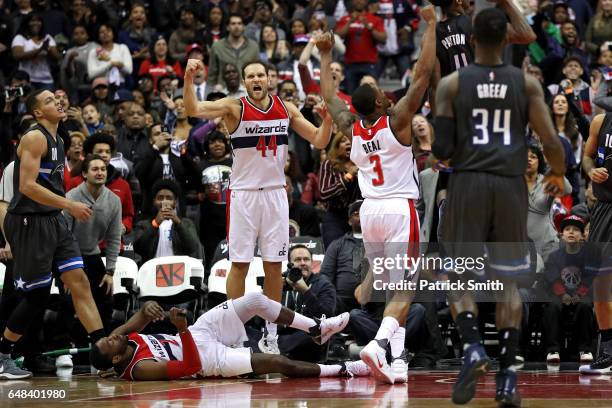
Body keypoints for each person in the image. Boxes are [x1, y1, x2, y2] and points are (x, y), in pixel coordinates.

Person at [432, 8, 566, 406]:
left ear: (471, 39)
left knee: (457, 278)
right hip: (510, 189)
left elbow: (439, 149)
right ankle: (508, 375)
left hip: (468, 184)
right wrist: (556, 172)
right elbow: (553, 143)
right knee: (509, 281)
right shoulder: (525, 84)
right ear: (507, 39)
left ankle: (473, 347)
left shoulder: (452, 84)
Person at [317, 5, 437, 385]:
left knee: (390, 289)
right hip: (400, 208)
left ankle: (397, 359)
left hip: (368, 213)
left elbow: (330, 96)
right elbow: (420, 75)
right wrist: (431, 26)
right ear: (383, 103)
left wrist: (324, 55)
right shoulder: (398, 122)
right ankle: (380, 344)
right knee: (406, 286)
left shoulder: (351, 129)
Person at [184, 58, 333, 355]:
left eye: (260, 75)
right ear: (244, 81)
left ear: (269, 79)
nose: (256, 79)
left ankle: (272, 335)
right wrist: (189, 79)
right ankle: (234, 334)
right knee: (239, 264)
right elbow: (193, 110)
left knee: (274, 266)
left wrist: (327, 120)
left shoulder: (286, 109)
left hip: (276, 194)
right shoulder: (233, 107)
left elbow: (318, 139)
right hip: (243, 195)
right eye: (250, 75)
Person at [0, 90, 105, 379]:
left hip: (53, 220)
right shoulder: (34, 138)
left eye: (57, 98)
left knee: (79, 281)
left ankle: (103, 350)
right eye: (48, 101)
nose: (57, 102)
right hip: (29, 222)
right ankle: (3, 354)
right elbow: (27, 187)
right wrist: (68, 204)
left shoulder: (60, 139)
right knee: (37, 295)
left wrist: (62, 209)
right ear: (37, 113)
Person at [90, 294, 360, 380]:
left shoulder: (119, 340)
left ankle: (315, 328)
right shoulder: (140, 368)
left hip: (199, 332)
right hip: (205, 360)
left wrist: (147, 308)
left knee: (254, 299)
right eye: (110, 342)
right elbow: (190, 367)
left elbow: (139, 319)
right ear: (115, 358)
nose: (113, 337)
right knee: (278, 363)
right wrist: (182, 329)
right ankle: (342, 369)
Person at [64, 154, 122, 334]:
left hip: (93, 254)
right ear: (84, 174)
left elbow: (113, 238)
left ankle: (101, 348)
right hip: (69, 257)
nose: (100, 173)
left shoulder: (114, 200)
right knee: (67, 302)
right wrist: (66, 272)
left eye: (103, 169)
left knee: (105, 298)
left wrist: (110, 271)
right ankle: (65, 350)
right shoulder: (71, 197)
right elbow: (64, 237)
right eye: (95, 169)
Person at [580, 111, 612, 375]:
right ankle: (608, 352)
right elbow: (587, 156)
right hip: (605, 208)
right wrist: (592, 171)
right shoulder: (601, 121)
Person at [277, 245, 336, 361]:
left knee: (316, 338)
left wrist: (306, 291)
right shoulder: (279, 281)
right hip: (280, 336)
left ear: (312, 263)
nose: (303, 263)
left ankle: (279, 351)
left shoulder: (323, 284)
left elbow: (326, 315)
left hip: (308, 337)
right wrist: (275, 288)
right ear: (290, 264)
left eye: (306, 259)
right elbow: (261, 317)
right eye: (298, 260)